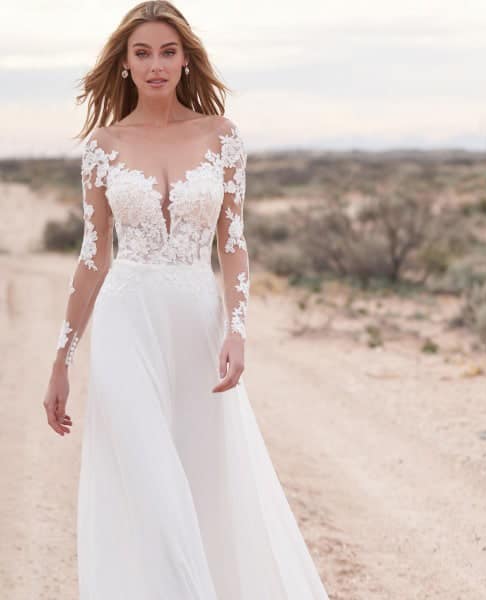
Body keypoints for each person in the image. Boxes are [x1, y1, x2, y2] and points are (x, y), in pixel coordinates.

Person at [40, 2, 330, 597]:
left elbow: (233, 241)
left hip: (197, 324)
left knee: (202, 480)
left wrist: (237, 329)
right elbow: (94, 256)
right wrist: (61, 359)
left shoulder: (222, 137)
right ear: (123, 64)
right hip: (127, 321)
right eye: (142, 53)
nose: (156, 65)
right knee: (154, 487)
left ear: (184, 58)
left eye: (167, 52)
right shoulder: (103, 145)